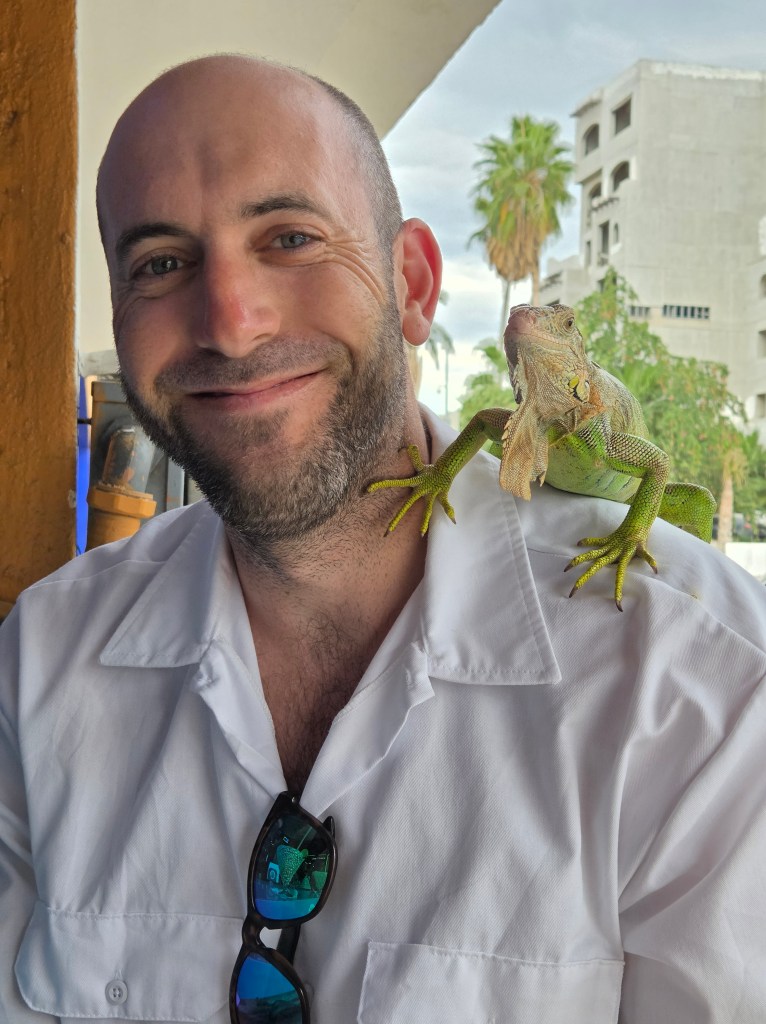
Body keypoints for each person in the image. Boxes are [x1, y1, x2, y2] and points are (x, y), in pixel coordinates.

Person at [1, 54, 765, 1024]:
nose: (230, 324)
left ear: (411, 283)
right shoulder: (43, 656)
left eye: (290, 238)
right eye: (159, 263)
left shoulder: (705, 687)